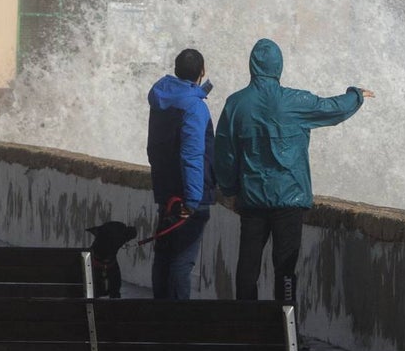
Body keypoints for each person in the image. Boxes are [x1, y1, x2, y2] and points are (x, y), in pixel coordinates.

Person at [214, 38, 373, 304]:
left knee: (248, 266)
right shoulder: (295, 101)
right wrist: (356, 94)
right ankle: (286, 335)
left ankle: (244, 329)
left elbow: (224, 154)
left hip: (252, 199)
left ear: (252, 66)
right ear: (279, 67)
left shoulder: (236, 104)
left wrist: (229, 189)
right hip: (289, 199)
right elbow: (332, 108)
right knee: (285, 268)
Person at [146, 48, 215, 300]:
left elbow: (154, 148)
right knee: (181, 262)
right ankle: (178, 325)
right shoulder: (194, 108)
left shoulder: (161, 99)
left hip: (165, 192)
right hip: (187, 195)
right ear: (202, 71)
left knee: (163, 257)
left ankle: (160, 320)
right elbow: (192, 155)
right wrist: (193, 200)